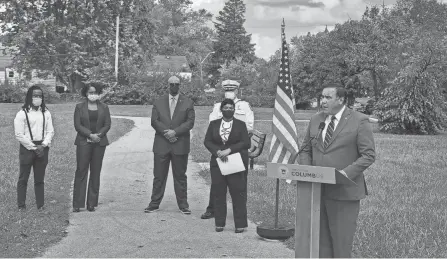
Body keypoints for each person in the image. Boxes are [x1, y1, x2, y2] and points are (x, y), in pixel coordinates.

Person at [299, 85, 376, 258]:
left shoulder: (359, 120)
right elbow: (305, 150)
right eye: (322, 97)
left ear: (341, 100)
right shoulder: (316, 119)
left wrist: (345, 174)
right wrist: (307, 171)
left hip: (344, 191)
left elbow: (368, 155)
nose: (323, 101)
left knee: (341, 244)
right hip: (317, 190)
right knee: (320, 242)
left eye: (328, 97)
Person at [201, 79, 254, 220]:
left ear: (237, 91)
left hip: (238, 152)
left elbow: (249, 127)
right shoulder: (218, 106)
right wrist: (219, 150)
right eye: (227, 90)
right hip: (220, 152)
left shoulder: (244, 106)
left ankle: (240, 212)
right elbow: (212, 126)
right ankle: (212, 209)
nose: (229, 93)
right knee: (217, 184)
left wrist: (232, 143)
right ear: (224, 91)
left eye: (232, 90)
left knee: (240, 185)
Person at [144, 76, 195, 215]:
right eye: (171, 84)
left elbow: (190, 122)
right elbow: (154, 121)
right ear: (168, 85)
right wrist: (167, 133)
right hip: (162, 144)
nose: (174, 86)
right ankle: (154, 204)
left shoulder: (188, 102)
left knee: (180, 176)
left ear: (180, 86)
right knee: (159, 176)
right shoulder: (159, 101)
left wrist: (175, 132)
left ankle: (183, 205)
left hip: (180, 145)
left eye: (176, 84)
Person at [14, 85, 55, 211]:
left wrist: (43, 145)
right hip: (27, 148)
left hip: (42, 147)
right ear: (29, 97)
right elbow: (19, 134)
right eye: (34, 95)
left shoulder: (46, 113)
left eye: (39, 96)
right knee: (23, 178)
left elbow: (50, 131)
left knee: (39, 178)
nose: (37, 98)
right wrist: (33, 147)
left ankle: (40, 205)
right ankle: (21, 205)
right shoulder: (22, 113)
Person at [72, 82, 111, 212]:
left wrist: (98, 135)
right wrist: (90, 135)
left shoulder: (104, 107)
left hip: (99, 143)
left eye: (95, 92)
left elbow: (107, 124)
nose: (92, 95)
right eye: (90, 92)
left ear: (99, 94)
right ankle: (78, 203)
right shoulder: (79, 107)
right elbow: (78, 125)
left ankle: (91, 203)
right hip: (84, 142)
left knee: (95, 172)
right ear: (86, 93)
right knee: (81, 171)